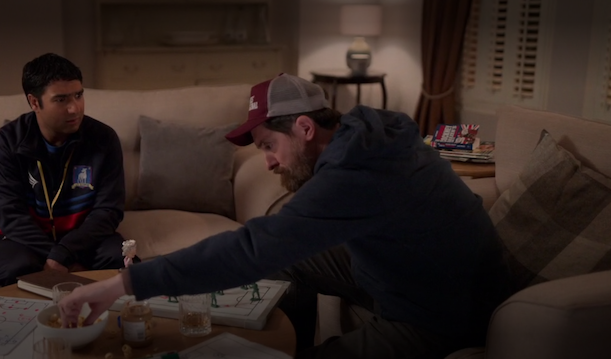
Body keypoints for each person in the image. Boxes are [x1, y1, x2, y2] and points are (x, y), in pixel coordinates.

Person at [59, 73, 512, 358]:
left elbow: (252, 248)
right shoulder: (360, 136)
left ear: (305, 127)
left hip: (438, 309)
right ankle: (282, 338)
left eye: (267, 147)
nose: (269, 163)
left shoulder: (355, 173)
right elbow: (273, 247)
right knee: (288, 260)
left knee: (269, 255)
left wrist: (123, 284)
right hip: (401, 271)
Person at [0, 53, 130, 285]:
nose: (74, 108)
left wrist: (64, 252)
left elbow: (108, 211)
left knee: (120, 261)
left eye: (78, 95)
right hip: (26, 240)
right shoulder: (10, 140)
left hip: (84, 237)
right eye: (61, 100)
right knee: (17, 268)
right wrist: (56, 255)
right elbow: (10, 213)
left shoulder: (104, 138)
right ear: (35, 102)